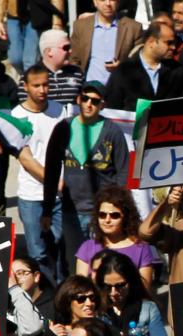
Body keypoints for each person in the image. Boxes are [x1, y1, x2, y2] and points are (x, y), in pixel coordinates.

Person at [41, 81, 130, 260]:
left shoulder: (112, 131)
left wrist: (116, 211)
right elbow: (51, 172)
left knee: (102, 262)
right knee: (74, 263)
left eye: (95, 101)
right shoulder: (63, 128)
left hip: (102, 213)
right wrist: (47, 210)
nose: (89, 104)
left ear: (102, 105)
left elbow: (123, 173)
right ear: (78, 100)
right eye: (85, 98)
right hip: (70, 209)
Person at [13, 63, 70, 284]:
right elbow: (26, 159)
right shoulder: (17, 116)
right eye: (36, 85)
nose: (42, 90)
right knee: (38, 252)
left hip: (60, 195)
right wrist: (55, 181)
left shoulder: (59, 111)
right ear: (26, 87)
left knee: (62, 248)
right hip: (32, 196)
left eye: (46, 84)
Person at [97, 252, 172, 336]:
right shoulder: (98, 313)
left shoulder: (147, 309)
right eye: (107, 286)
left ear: (131, 282)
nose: (114, 293)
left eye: (120, 286)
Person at [78, 185, 158, 289]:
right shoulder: (87, 247)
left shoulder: (141, 248)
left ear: (126, 217)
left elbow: (145, 290)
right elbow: (80, 289)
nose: (107, 220)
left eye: (114, 215)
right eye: (102, 215)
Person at [71, 0, 141, 86]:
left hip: (119, 87)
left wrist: (122, 66)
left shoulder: (133, 27)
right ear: (95, 2)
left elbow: (140, 62)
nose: (108, 4)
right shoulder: (81, 26)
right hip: (90, 88)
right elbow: (74, 59)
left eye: (112, 0)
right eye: (103, 0)